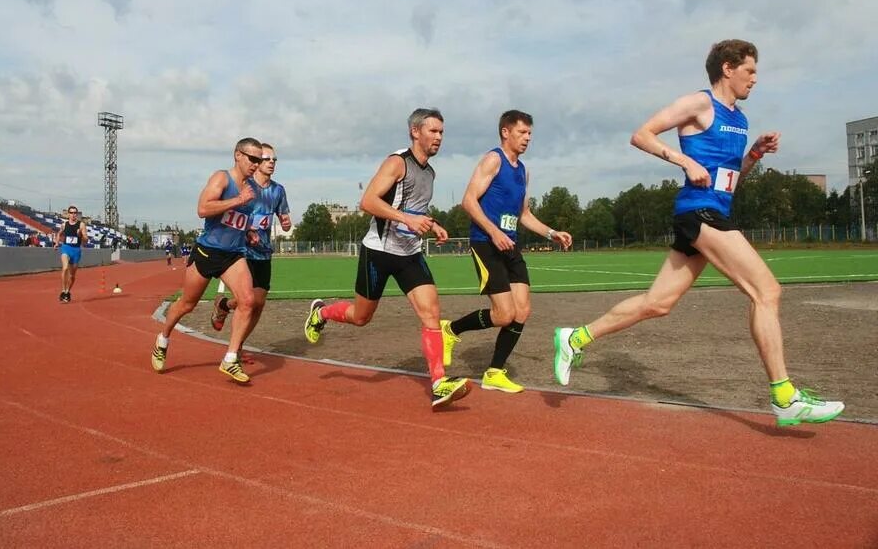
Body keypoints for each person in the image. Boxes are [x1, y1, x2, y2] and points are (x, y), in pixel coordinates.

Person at [551, 39, 844, 427]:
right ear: (728, 68)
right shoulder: (699, 103)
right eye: (750, 70)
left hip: (714, 211)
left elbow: (730, 181)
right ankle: (785, 396)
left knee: (658, 303)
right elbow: (641, 134)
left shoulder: (739, 120)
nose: (755, 79)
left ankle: (575, 338)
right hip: (698, 212)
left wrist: (754, 154)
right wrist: (684, 160)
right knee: (767, 291)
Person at [303, 109, 470, 410]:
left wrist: (431, 225)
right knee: (361, 317)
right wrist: (405, 217)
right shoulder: (397, 163)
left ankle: (438, 383)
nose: (439, 138)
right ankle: (322, 312)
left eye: (442, 132)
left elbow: (415, 211)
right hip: (378, 252)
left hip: (409, 253)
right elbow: (367, 201)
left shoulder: (430, 173)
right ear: (415, 132)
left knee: (431, 313)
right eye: (433, 131)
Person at [439, 110, 573, 394]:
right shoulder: (493, 160)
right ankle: (450, 330)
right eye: (522, 132)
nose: (527, 138)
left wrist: (552, 233)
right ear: (505, 132)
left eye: (530, 134)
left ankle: (494, 372)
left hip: (510, 245)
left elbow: (524, 214)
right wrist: (494, 231)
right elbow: (468, 201)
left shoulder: (523, 170)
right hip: (486, 244)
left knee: (522, 311)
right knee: (503, 314)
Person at [151, 138, 263, 384]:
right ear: (237, 155)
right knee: (186, 305)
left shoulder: (252, 190)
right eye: (252, 158)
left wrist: (249, 232)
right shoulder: (222, 178)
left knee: (248, 300)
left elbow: (236, 219)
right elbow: (203, 209)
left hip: (233, 254)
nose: (256, 164)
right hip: (207, 252)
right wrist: (238, 199)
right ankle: (163, 339)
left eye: (259, 160)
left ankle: (230, 358)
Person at [209, 142, 293, 362]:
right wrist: (246, 230)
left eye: (274, 160)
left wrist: (285, 223)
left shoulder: (278, 190)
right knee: (248, 300)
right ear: (256, 162)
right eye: (267, 159)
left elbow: (284, 218)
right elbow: (229, 213)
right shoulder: (244, 186)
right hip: (241, 250)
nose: (272, 163)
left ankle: (224, 308)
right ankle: (233, 351)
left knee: (259, 303)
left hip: (264, 252)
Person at [56, 205, 88, 302]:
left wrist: (80, 235)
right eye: (71, 213)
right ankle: (63, 290)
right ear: (68, 214)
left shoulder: (81, 225)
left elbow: (86, 240)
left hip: (76, 250)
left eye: (75, 213)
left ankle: (67, 291)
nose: (73, 215)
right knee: (65, 268)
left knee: (72, 275)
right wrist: (57, 243)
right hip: (66, 248)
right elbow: (59, 233)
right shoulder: (64, 224)